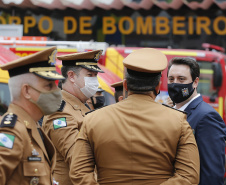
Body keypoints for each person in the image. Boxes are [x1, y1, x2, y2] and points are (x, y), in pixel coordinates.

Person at [69, 48, 200, 185]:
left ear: (125, 85)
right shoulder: (178, 121)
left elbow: (79, 173)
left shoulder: (92, 119)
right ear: (158, 87)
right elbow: (188, 177)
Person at [0, 46, 65, 185]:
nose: (57, 91)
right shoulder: (12, 130)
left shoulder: (34, 126)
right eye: (49, 86)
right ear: (27, 91)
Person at [42, 50, 104, 185]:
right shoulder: (59, 112)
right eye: (90, 75)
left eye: (95, 75)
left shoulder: (81, 105)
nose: (94, 80)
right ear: (71, 76)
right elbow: (78, 160)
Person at [167, 57, 226, 185]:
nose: (175, 83)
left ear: (195, 82)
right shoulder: (170, 112)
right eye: (171, 79)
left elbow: (212, 174)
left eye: (181, 79)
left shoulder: (207, 117)